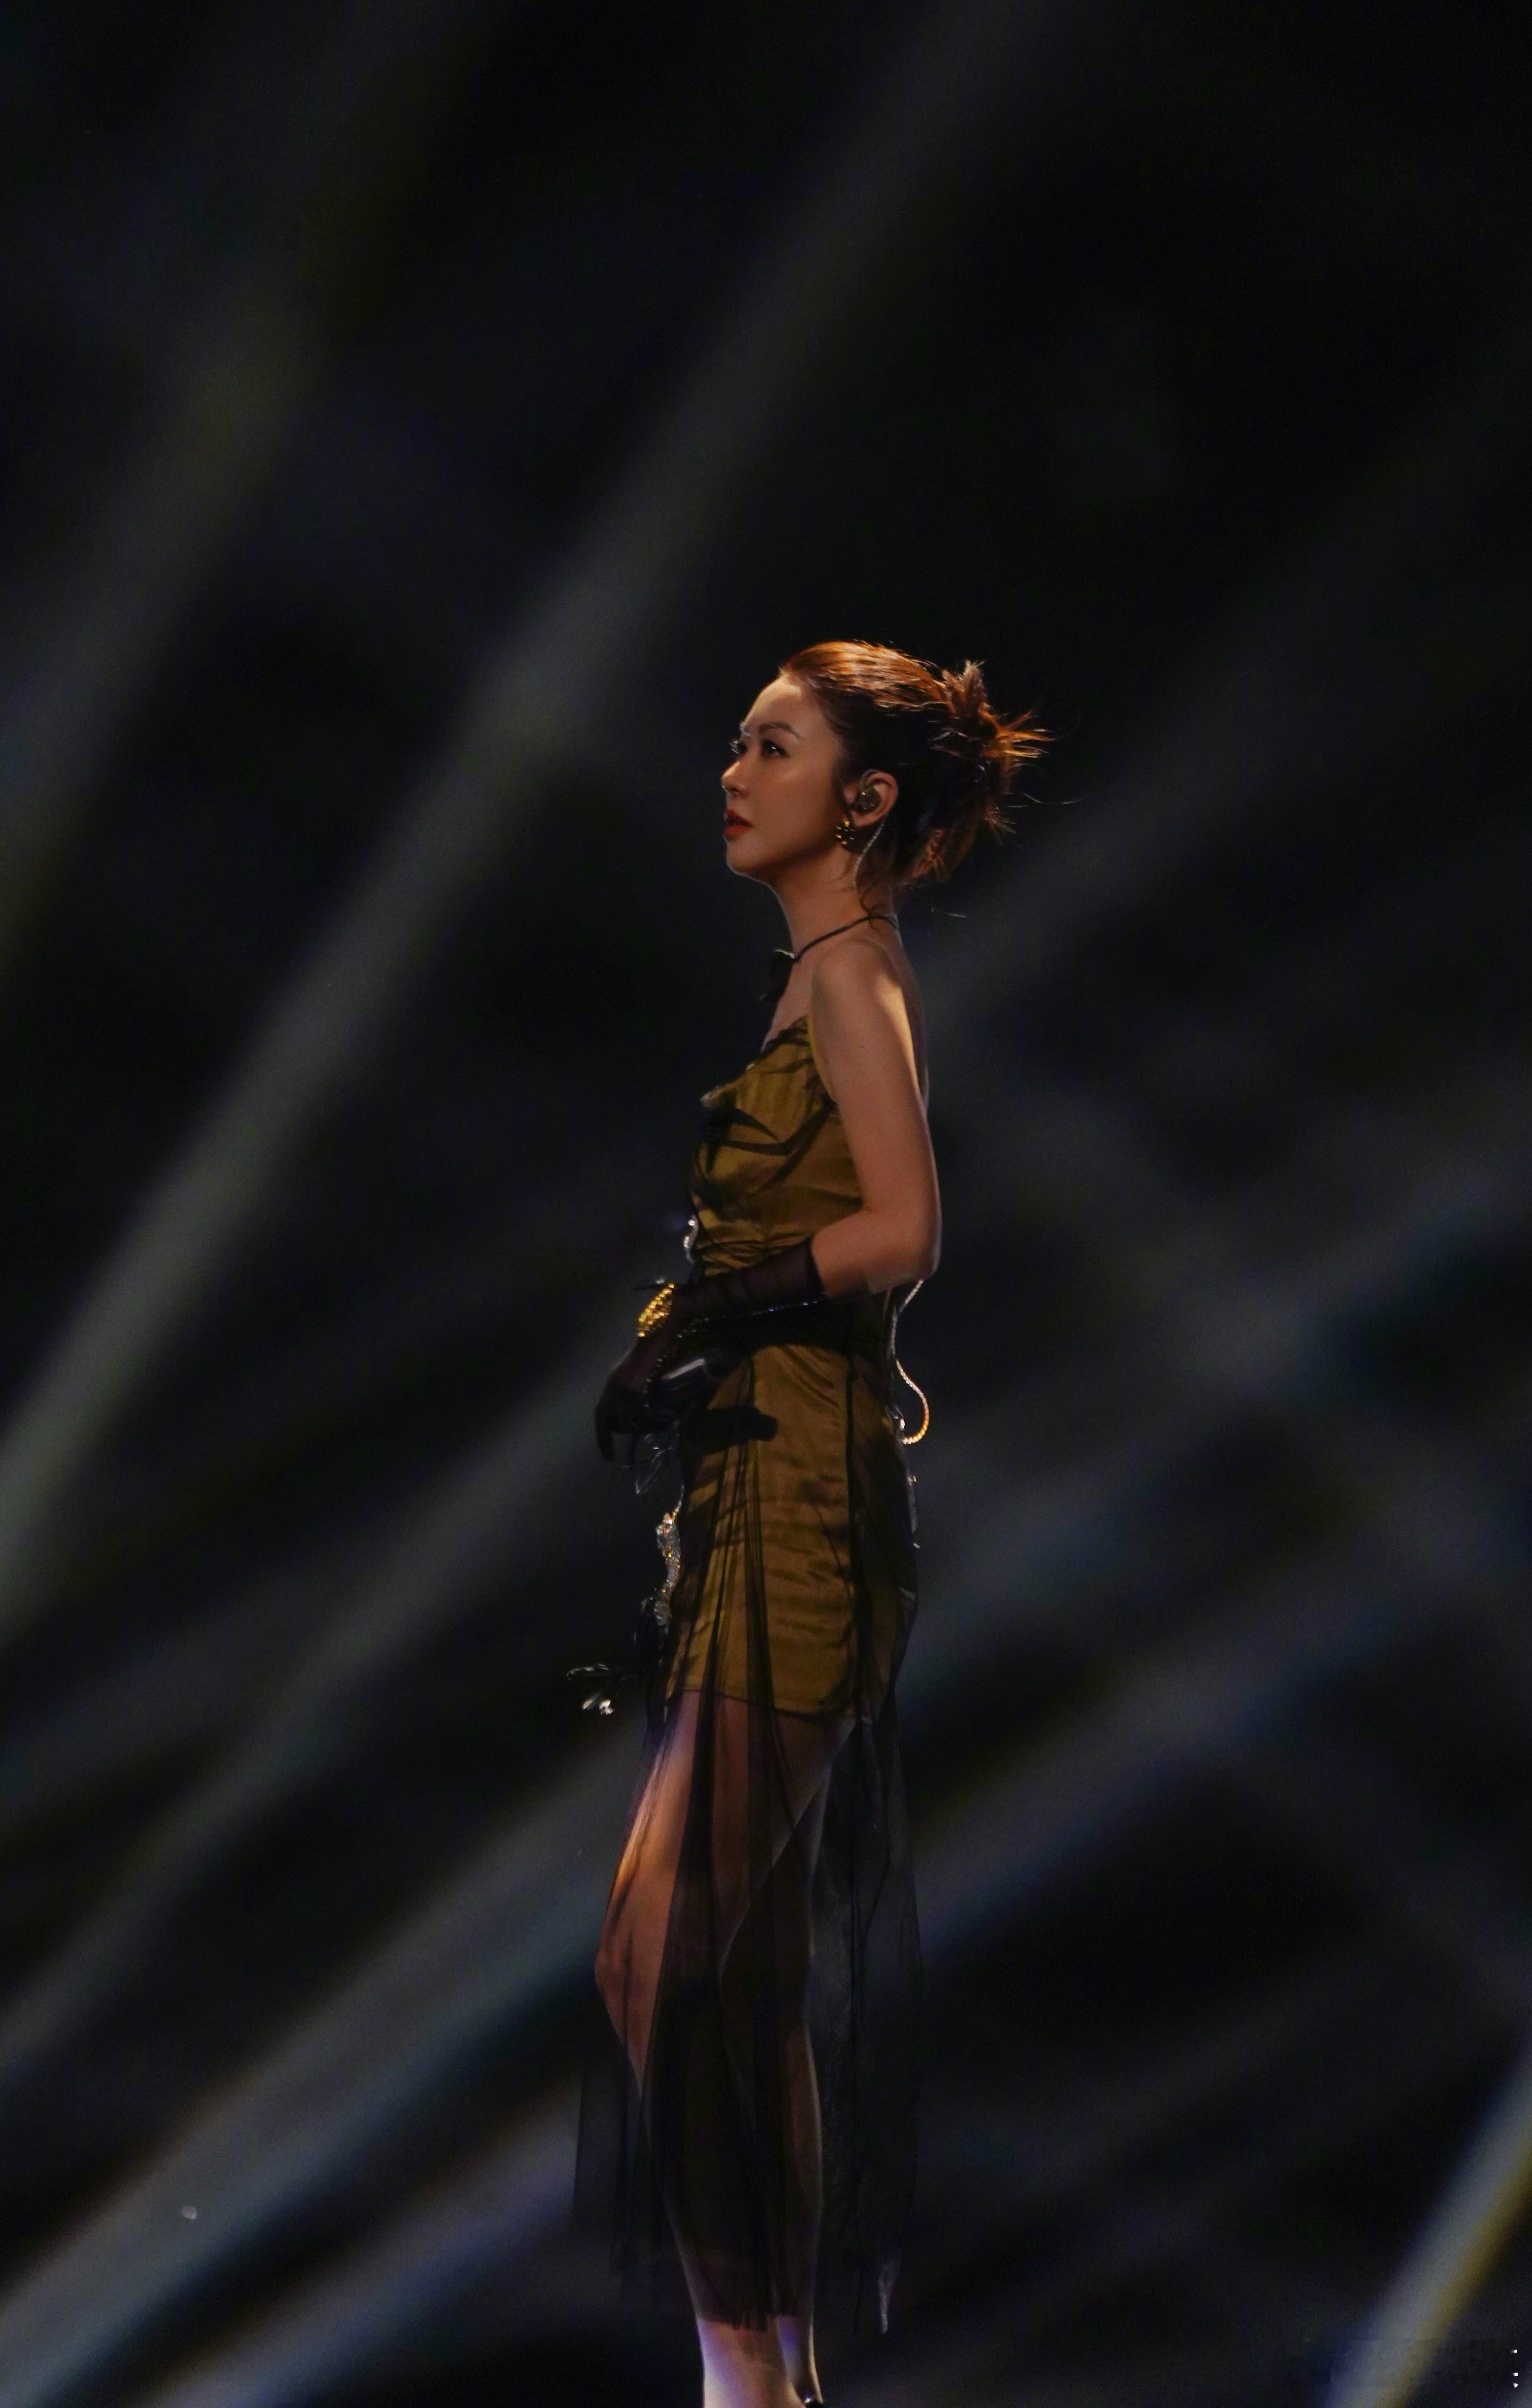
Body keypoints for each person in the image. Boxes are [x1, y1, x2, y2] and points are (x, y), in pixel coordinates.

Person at [582, 641, 1045, 2408]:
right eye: (736, 740)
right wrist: (686, 1341)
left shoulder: (853, 972)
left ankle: (751, 2382)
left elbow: (905, 1225)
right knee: (724, 1964)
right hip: (754, 1483)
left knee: (668, 1951)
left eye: (772, 745)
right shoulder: (819, 976)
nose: (732, 769)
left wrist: (720, 1304)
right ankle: (766, 2376)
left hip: (804, 1499)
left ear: (861, 796)